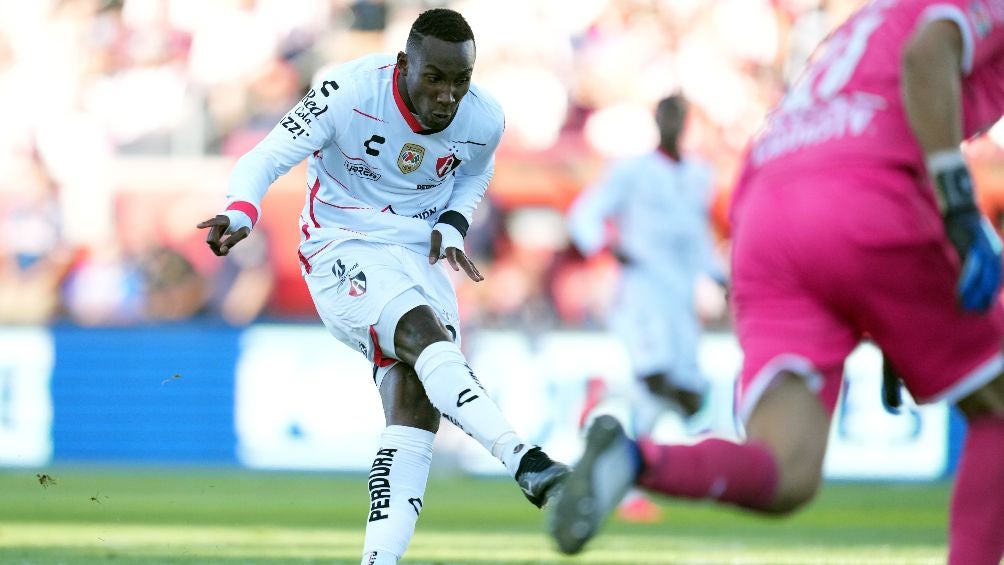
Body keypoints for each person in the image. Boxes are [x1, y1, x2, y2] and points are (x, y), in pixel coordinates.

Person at [549, 2, 1004, 564]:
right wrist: (957, 202)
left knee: (786, 469)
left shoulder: (869, 20)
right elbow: (926, 56)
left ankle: (636, 459)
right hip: (860, 192)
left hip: (765, 209)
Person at [196, 9, 568, 565]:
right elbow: (267, 155)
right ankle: (526, 461)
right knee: (422, 334)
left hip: (420, 259)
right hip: (340, 245)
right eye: (434, 78)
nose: (447, 95)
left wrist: (454, 223)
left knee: (415, 410)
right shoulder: (346, 92)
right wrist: (241, 210)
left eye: (460, 80)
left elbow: (475, 172)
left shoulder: (485, 117)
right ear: (403, 65)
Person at [565, 94, 724, 521]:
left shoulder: (699, 174)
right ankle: (633, 483)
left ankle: (607, 395)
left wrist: (720, 276)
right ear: (657, 120)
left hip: (680, 298)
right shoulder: (631, 170)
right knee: (657, 381)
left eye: (679, 117)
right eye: (666, 116)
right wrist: (607, 246)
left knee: (689, 398)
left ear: (686, 123)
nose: (672, 124)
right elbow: (584, 214)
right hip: (642, 292)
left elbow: (698, 236)